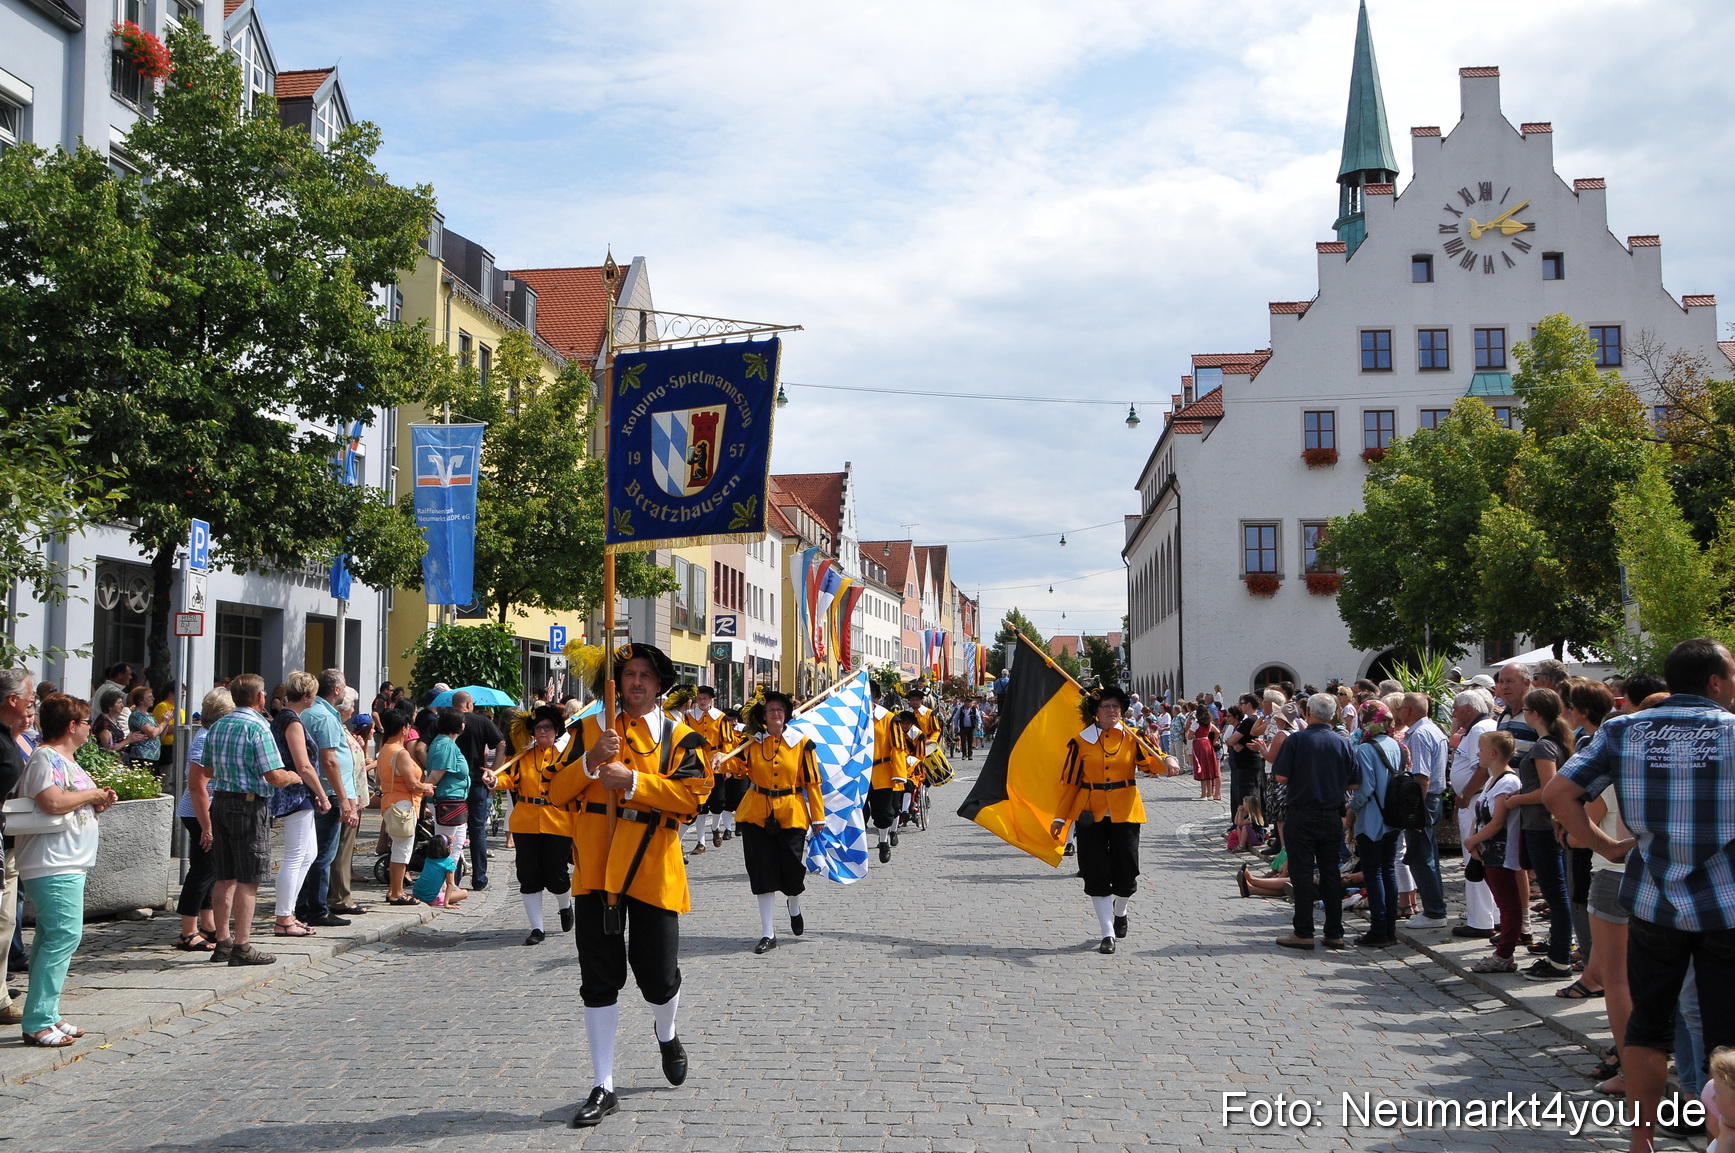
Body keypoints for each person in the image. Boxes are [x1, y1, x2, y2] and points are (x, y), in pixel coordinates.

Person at [1545, 638, 1735, 1153]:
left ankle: (1641, 1137)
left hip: (1653, 897)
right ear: (1715, 682)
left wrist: (1605, 846)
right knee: (1726, 1035)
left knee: (1649, 1023)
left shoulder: (1625, 729)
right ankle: (1726, 1137)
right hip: (1725, 901)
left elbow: (1559, 793)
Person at [552, 643, 711, 1129]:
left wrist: (634, 781)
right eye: (628, 674)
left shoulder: (682, 738)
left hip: (651, 869)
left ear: (659, 684)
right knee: (598, 981)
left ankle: (668, 1033)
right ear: (616, 683)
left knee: (659, 978)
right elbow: (554, 792)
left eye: (645, 674)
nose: (636, 682)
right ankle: (603, 1084)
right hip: (596, 870)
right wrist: (588, 763)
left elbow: (691, 798)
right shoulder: (588, 731)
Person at [13, 694, 115, 1047]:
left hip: (67, 859)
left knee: (51, 938)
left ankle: (48, 1013)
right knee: (63, 937)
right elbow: (52, 802)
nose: (90, 727)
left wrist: (97, 802)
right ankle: (38, 1020)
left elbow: (71, 805)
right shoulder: (45, 757)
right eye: (87, 722)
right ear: (72, 726)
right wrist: (90, 796)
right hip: (53, 862)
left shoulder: (66, 759)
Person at [197, 673, 299, 967]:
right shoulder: (258, 726)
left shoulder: (218, 726)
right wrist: (292, 776)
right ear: (259, 697)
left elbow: (209, 769)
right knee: (249, 878)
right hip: (249, 805)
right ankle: (242, 945)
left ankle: (223, 942)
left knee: (224, 876)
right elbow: (274, 776)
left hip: (222, 802)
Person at [718, 691, 824, 953]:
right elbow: (735, 767)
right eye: (770, 711)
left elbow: (812, 782)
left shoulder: (802, 743)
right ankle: (768, 933)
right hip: (756, 813)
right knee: (762, 873)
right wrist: (721, 760)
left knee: (791, 871)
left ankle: (794, 904)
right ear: (763, 717)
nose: (775, 714)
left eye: (779, 710)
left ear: (786, 714)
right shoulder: (751, 743)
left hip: (791, 811)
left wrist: (818, 816)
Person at [1049, 686, 1149, 955]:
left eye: (1116, 706)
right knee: (1095, 871)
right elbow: (1069, 784)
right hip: (1089, 815)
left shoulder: (1134, 738)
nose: (1112, 711)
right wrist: (1060, 817)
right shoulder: (1080, 742)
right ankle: (1107, 932)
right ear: (1096, 711)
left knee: (1127, 871)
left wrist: (1168, 759)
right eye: (1106, 706)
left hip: (1125, 812)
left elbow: (1153, 766)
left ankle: (1121, 910)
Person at [1271, 692, 1356, 951]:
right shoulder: (1343, 743)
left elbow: (1281, 777)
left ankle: (1304, 931)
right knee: (1331, 873)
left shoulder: (1297, 740)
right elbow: (1354, 782)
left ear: (1308, 712)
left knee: (1302, 872)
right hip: (1332, 813)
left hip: (1302, 811)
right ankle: (1334, 932)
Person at [1507, 686, 1576, 981]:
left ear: (1533, 713)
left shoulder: (1544, 746)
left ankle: (1560, 958)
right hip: (1539, 825)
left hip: (1542, 826)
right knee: (1556, 892)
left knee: (1556, 893)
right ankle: (1558, 951)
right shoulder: (1550, 742)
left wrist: (1517, 799)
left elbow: (1549, 790)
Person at [495, 704, 577, 945]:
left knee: (556, 874)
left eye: (547, 727)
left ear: (556, 730)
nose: (542, 732)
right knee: (528, 875)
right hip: (525, 821)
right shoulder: (522, 757)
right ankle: (537, 928)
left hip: (558, 821)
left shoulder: (566, 756)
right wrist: (493, 780)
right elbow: (507, 778)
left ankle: (565, 905)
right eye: (538, 728)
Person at [268, 672, 331, 938]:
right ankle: (284, 917)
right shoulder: (291, 721)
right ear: (307, 696)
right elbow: (303, 764)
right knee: (295, 856)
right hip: (295, 792)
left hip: (298, 791)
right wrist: (322, 794)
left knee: (308, 854)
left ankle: (289, 912)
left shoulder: (286, 717)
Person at [295, 670, 358, 929]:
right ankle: (317, 908)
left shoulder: (310, 713)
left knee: (309, 853)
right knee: (323, 855)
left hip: (315, 791)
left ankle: (302, 905)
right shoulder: (323, 716)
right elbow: (329, 760)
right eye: (343, 687)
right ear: (336, 690)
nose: (344, 691)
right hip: (328, 793)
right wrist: (343, 799)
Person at [174, 687, 233, 952]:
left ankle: (208, 924)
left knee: (211, 870)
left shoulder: (210, 736)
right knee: (202, 870)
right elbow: (198, 786)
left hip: (205, 810)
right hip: (199, 812)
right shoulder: (205, 740)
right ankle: (188, 931)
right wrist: (207, 827)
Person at [1464, 729, 1523, 973]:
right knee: (1503, 902)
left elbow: (1498, 821)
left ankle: (1504, 954)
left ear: (1492, 753)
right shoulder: (1492, 779)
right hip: (1487, 851)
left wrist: (1472, 842)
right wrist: (1474, 839)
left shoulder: (1508, 781)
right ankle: (1504, 951)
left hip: (1501, 852)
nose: (1477, 753)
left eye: (1480, 748)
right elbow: (1480, 814)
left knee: (1509, 905)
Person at [1347, 701, 1404, 948]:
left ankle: (1379, 928)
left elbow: (1365, 789)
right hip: (1393, 817)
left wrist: (1351, 810)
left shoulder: (1365, 750)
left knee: (1374, 873)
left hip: (1372, 819)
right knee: (1388, 870)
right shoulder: (1397, 746)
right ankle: (1390, 927)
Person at [1446, 689, 1500, 939]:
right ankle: (1490, 916)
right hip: (1473, 799)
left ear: (1468, 709)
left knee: (1475, 859)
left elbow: (1482, 768)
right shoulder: (1476, 729)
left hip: (1476, 798)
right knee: (1478, 859)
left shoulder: (1481, 729)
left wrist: (1465, 795)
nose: (1454, 713)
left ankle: (1481, 920)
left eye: (1456, 708)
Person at [1396, 692, 1450, 930]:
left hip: (1424, 802)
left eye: (1401, 708)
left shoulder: (1418, 734)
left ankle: (1435, 912)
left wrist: (1414, 812)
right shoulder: (1433, 729)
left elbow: (1422, 778)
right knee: (1427, 855)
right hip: (1433, 799)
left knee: (1421, 856)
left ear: (1407, 710)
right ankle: (1435, 909)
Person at [0, 669, 33, 1027]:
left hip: (7, 838)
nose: (30, 706)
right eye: (29, 699)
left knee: (6, 919)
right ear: (12, 700)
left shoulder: (9, 735)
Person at [375, 708, 432, 904]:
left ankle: (394, 889)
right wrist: (426, 787)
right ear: (404, 728)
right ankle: (397, 892)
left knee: (399, 847)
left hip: (391, 802)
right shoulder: (400, 753)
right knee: (403, 849)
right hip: (404, 804)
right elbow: (412, 784)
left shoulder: (385, 749)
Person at [451, 690, 505, 891]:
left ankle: (453, 880)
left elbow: (423, 747)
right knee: (477, 831)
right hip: (476, 782)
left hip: (453, 784)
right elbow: (501, 744)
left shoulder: (446, 720)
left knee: (454, 831)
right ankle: (479, 878)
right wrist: (493, 771)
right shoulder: (481, 721)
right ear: (468, 704)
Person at [866, 683, 915, 864]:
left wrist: (899, 773)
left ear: (876, 697)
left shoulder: (888, 719)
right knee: (858, 812)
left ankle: (883, 840)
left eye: (869, 694)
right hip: (858, 773)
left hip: (882, 771)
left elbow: (898, 747)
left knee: (883, 812)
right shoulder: (851, 717)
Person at [682, 686, 735, 853]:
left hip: (717, 763)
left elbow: (728, 743)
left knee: (718, 802)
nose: (702, 701)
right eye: (699, 698)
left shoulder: (721, 718)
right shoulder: (688, 717)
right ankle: (701, 842)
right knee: (701, 804)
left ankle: (715, 828)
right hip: (697, 762)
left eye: (705, 698)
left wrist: (726, 765)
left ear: (711, 699)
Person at [426, 711, 472, 863]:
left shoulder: (447, 744)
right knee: (445, 844)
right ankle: (441, 883)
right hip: (447, 801)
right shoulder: (446, 745)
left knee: (457, 843)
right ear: (457, 725)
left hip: (454, 801)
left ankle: (450, 883)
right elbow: (435, 776)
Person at [410, 834, 467, 907]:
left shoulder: (428, 860)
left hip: (417, 893)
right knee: (464, 893)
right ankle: (444, 899)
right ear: (447, 847)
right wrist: (446, 903)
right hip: (431, 899)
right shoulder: (449, 862)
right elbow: (450, 884)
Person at [1190, 704, 1220, 801]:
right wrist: (1215, 740)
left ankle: (1203, 794)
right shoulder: (1209, 723)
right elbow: (1218, 731)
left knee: (1201, 767)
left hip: (1199, 744)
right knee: (1208, 767)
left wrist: (1193, 735)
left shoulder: (1196, 723)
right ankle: (1210, 793)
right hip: (1207, 743)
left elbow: (1189, 736)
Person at [957, 697, 981, 762]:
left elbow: (978, 718)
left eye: (970, 702)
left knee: (970, 742)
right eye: (967, 702)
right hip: (963, 727)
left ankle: (970, 755)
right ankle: (964, 755)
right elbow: (956, 718)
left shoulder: (974, 709)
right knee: (963, 742)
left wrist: (978, 725)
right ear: (965, 703)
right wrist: (956, 726)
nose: (968, 704)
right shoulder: (961, 709)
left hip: (971, 728)